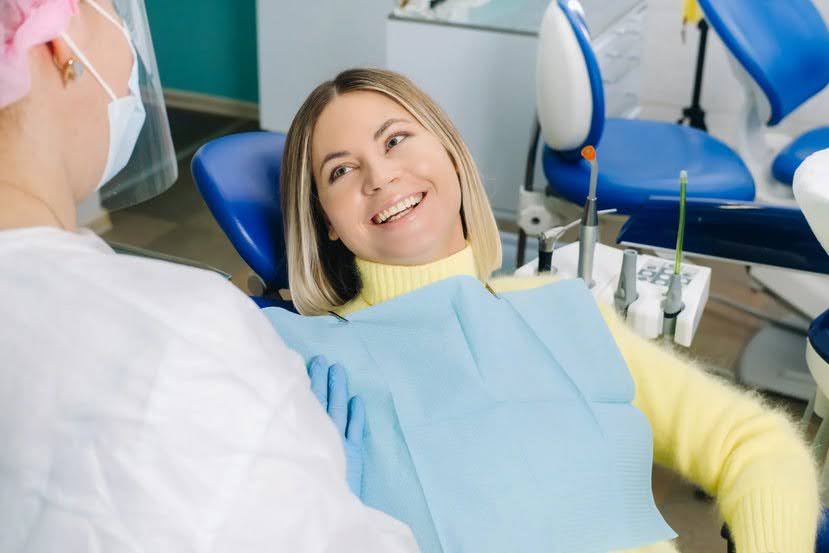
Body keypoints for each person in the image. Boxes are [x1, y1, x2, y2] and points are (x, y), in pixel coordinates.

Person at [271, 67, 821, 553]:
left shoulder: (556, 311)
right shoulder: (310, 364)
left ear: (450, 154)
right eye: (341, 171)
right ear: (325, 223)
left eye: (396, 140)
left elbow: (754, 443)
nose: (380, 176)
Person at [0, 2, 419, 551]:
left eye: (396, 141)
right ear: (58, 46)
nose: (382, 178)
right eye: (117, 15)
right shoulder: (179, 334)